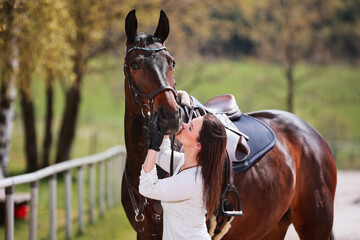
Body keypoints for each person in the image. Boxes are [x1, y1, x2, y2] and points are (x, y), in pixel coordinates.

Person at [139, 113, 227, 240]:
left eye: (190, 128)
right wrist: (164, 130)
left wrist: (153, 145)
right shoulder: (185, 162)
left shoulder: (192, 180)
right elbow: (162, 154)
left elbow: (147, 188)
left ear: (199, 146)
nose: (184, 125)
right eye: (189, 123)